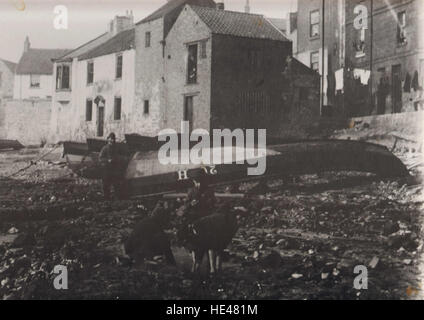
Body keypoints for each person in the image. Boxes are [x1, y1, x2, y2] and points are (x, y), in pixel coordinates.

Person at [99, 132, 124, 200]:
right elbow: (100, 158)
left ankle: (116, 198)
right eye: (110, 139)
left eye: (113, 139)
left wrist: (118, 160)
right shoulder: (104, 148)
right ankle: (106, 198)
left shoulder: (116, 148)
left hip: (114, 169)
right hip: (106, 169)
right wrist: (107, 160)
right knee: (106, 185)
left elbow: (119, 157)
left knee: (116, 184)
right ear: (108, 140)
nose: (112, 140)